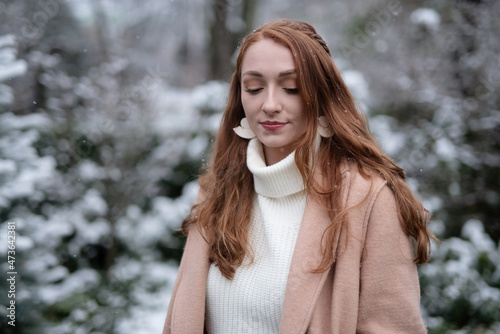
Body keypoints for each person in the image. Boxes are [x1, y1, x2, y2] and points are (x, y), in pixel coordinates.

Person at [163, 19, 437, 334]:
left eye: (291, 88)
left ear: (322, 94)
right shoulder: (215, 194)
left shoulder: (368, 199)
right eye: (253, 88)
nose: (269, 105)